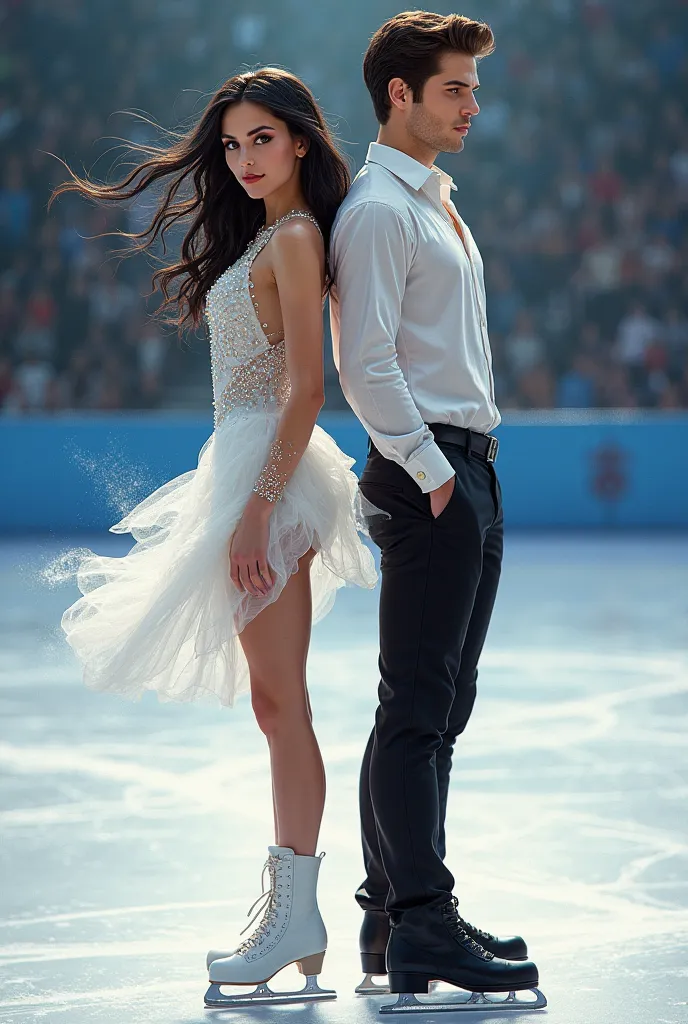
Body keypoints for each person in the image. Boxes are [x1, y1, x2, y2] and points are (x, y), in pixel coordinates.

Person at [53, 68, 377, 1007]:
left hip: (266, 480)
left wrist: (256, 507)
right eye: (232, 144)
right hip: (243, 469)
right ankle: (297, 915)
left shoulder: (300, 237)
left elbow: (311, 392)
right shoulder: (269, 237)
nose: (243, 159)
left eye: (262, 140)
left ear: (303, 143)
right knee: (277, 706)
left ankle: (296, 910)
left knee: (284, 703)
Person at [330, 11, 544, 1008]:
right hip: (431, 475)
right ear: (399, 96)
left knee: (433, 708)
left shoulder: (433, 204)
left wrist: (461, 472)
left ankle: (394, 911)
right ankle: (421, 920)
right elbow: (362, 361)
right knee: (418, 710)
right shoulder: (379, 208)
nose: (472, 102)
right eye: (455, 86)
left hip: (464, 468)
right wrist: (428, 469)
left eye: (471, 85)